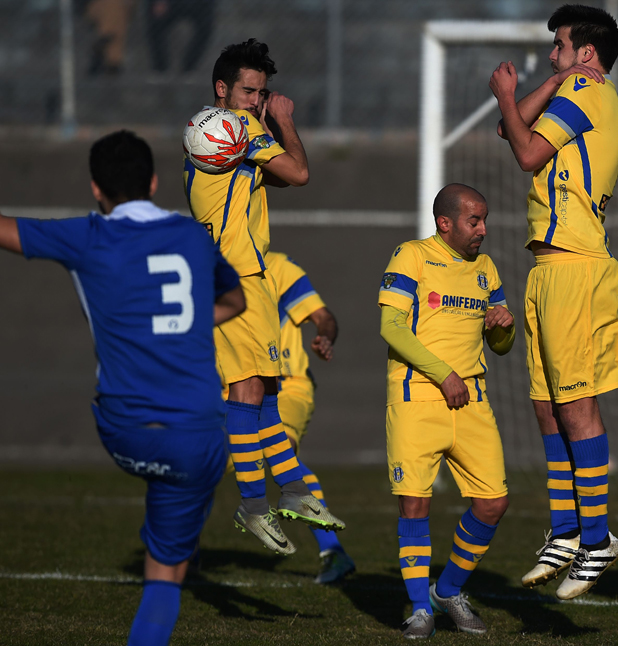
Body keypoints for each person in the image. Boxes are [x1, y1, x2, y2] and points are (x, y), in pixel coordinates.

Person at [0, 130, 244, 646]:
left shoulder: (87, 235)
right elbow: (236, 300)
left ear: (95, 188)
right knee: (166, 570)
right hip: (198, 440)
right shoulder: (194, 236)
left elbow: (7, 231)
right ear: (154, 182)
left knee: (165, 520)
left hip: (124, 431)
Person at [490, 4, 618, 599]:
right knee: (547, 408)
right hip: (549, 269)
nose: (552, 54)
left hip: (576, 268)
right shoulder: (571, 86)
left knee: (576, 406)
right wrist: (528, 91)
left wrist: (505, 94)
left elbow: (524, 151)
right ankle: (567, 531)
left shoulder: (589, 94)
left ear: (586, 56)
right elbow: (511, 127)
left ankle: (597, 540)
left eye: (561, 47)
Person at [184, 39, 330, 555]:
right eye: (249, 91)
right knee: (246, 392)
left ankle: (290, 488)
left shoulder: (216, 134)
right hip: (234, 277)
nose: (258, 100)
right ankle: (252, 504)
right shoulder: (237, 128)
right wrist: (284, 118)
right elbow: (299, 172)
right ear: (222, 89)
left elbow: (278, 180)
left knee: (266, 390)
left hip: (247, 276)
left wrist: (269, 133)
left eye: (263, 93)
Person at [379, 184, 515, 639]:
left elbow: (500, 347)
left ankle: (447, 589)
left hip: (472, 399)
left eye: (484, 219)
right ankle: (420, 609)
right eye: (474, 221)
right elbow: (390, 327)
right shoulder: (412, 256)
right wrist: (443, 374)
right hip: (418, 395)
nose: (483, 229)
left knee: (493, 502)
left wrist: (502, 329)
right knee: (415, 504)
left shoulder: (487, 268)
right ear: (445, 223)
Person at [263, 250, 355, 582]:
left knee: (275, 450)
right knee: (198, 465)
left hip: (285, 386)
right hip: (228, 390)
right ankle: (182, 554)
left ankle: (333, 551)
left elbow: (324, 317)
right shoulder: (207, 266)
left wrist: (325, 337)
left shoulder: (278, 268)